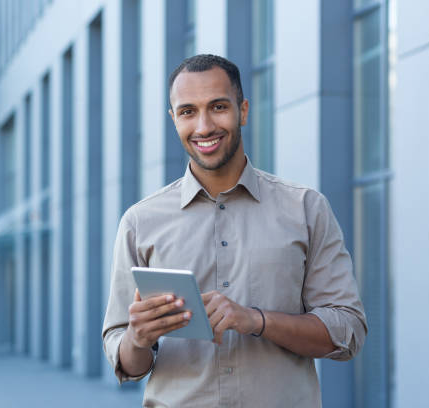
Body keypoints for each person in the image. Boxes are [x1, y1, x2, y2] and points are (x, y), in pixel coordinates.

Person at [102, 54, 367, 408]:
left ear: (243, 111)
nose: (204, 126)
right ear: (174, 119)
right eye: (187, 112)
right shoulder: (140, 221)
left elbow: (346, 332)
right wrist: (137, 339)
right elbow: (126, 361)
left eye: (218, 107)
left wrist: (256, 320)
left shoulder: (305, 208)